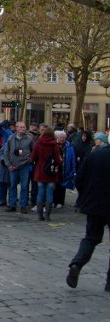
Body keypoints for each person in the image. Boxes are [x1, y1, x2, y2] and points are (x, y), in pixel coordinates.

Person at [65, 143, 110, 292]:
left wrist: (85, 197)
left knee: (91, 238)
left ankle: (77, 264)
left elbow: (80, 178)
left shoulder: (95, 154)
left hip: (94, 204)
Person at [30, 125, 62, 221]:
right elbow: (58, 160)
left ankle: (40, 215)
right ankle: (47, 214)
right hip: (50, 173)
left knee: (40, 193)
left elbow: (33, 158)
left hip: (40, 171)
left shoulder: (38, 143)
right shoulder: (54, 145)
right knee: (49, 194)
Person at [3, 122, 34, 213]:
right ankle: (12, 204)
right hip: (13, 166)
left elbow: (33, 151)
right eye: (21, 127)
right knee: (12, 185)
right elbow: (6, 153)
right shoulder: (10, 138)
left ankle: (23, 205)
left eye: (24, 127)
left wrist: (30, 159)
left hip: (24, 166)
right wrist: (8, 165)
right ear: (16, 128)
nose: (23, 129)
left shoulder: (29, 139)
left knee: (24, 186)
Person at [54, 130, 76, 208]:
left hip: (65, 168)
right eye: (61, 137)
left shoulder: (69, 147)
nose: (62, 139)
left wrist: (73, 169)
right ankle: (54, 201)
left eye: (63, 137)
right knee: (55, 185)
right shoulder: (54, 145)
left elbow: (73, 158)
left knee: (62, 187)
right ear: (58, 138)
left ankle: (60, 202)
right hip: (56, 168)